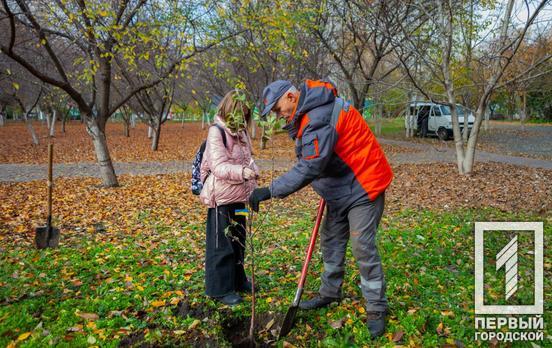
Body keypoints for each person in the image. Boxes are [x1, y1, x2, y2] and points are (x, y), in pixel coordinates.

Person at [249, 79, 393, 338]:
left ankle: (376, 309)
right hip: (340, 187)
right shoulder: (309, 112)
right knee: (331, 241)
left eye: (277, 107)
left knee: (362, 247)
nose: (277, 114)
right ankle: (329, 294)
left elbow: (311, 165)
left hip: (363, 185)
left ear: (292, 97)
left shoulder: (317, 117)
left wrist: (269, 191)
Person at [199, 90, 259, 306]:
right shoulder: (217, 132)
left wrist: (254, 174)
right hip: (222, 199)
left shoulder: (242, 134)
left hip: (240, 199)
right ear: (231, 111)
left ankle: (238, 280)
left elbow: (249, 160)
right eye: (240, 115)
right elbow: (218, 166)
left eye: (246, 116)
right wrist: (242, 172)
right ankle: (219, 289)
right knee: (222, 244)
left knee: (239, 239)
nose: (243, 120)